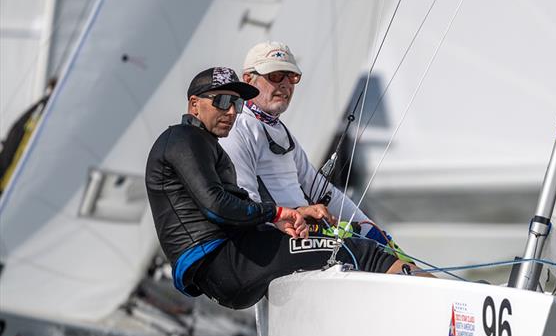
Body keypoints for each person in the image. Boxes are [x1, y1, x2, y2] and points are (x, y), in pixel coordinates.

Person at [145, 67, 413, 310]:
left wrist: (284, 222)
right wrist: (278, 213)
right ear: (194, 105)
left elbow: (233, 207)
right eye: (222, 102)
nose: (231, 112)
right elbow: (217, 206)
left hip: (229, 263)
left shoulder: (208, 145)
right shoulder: (183, 139)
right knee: (362, 252)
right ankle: (433, 307)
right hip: (225, 263)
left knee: (334, 254)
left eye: (237, 104)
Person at [218, 41, 407, 256]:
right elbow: (247, 203)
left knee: (386, 252)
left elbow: (323, 193)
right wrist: (295, 217)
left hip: (303, 235)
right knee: (374, 259)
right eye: (275, 76)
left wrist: (371, 229)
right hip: (274, 239)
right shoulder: (238, 128)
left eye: (292, 77)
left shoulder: (281, 131)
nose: (285, 84)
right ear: (248, 79)